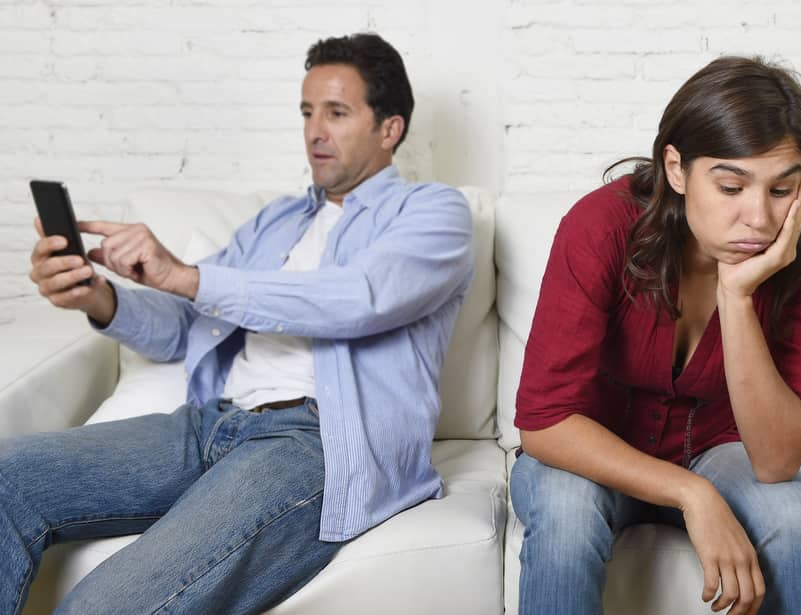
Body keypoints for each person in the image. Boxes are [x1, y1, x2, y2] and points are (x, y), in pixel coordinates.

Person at [1, 32, 473, 615]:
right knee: (6, 477)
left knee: (104, 606)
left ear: (389, 129)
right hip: (212, 425)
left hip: (314, 443)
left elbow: (358, 298)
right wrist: (99, 298)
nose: (314, 131)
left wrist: (187, 276)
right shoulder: (277, 220)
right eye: (307, 112)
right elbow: (191, 323)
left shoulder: (433, 213)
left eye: (336, 113)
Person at [511, 56, 801, 615]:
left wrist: (738, 296)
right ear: (676, 169)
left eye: (781, 189)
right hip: (594, 452)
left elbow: (776, 463)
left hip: (722, 450)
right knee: (564, 518)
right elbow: (544, 421)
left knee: (793, 519)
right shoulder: (601, 227)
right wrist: (690, 493)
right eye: (731, 186)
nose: (758, 218)